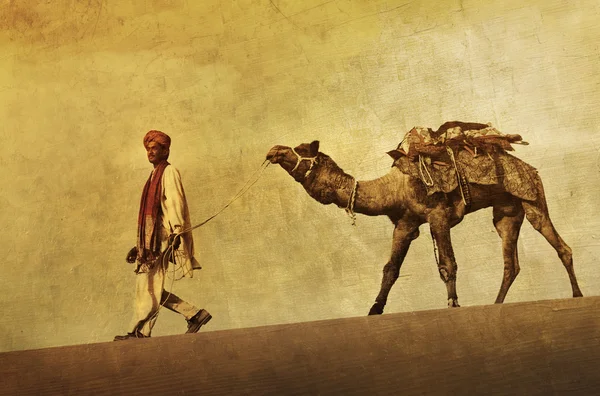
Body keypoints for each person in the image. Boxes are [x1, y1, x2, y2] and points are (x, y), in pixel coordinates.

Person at [114, 130, 211, 340]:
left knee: (147, 285)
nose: (150, 152)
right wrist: (138, 245)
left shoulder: (169, 172)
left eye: (154, 148)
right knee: (150, 285)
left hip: (164, 237)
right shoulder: (153, 176)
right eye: (147, 149)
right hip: (151, 241)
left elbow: (175, 202)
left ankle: (140, 332)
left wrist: (177, 231)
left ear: (165, 150)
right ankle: (194, 314)